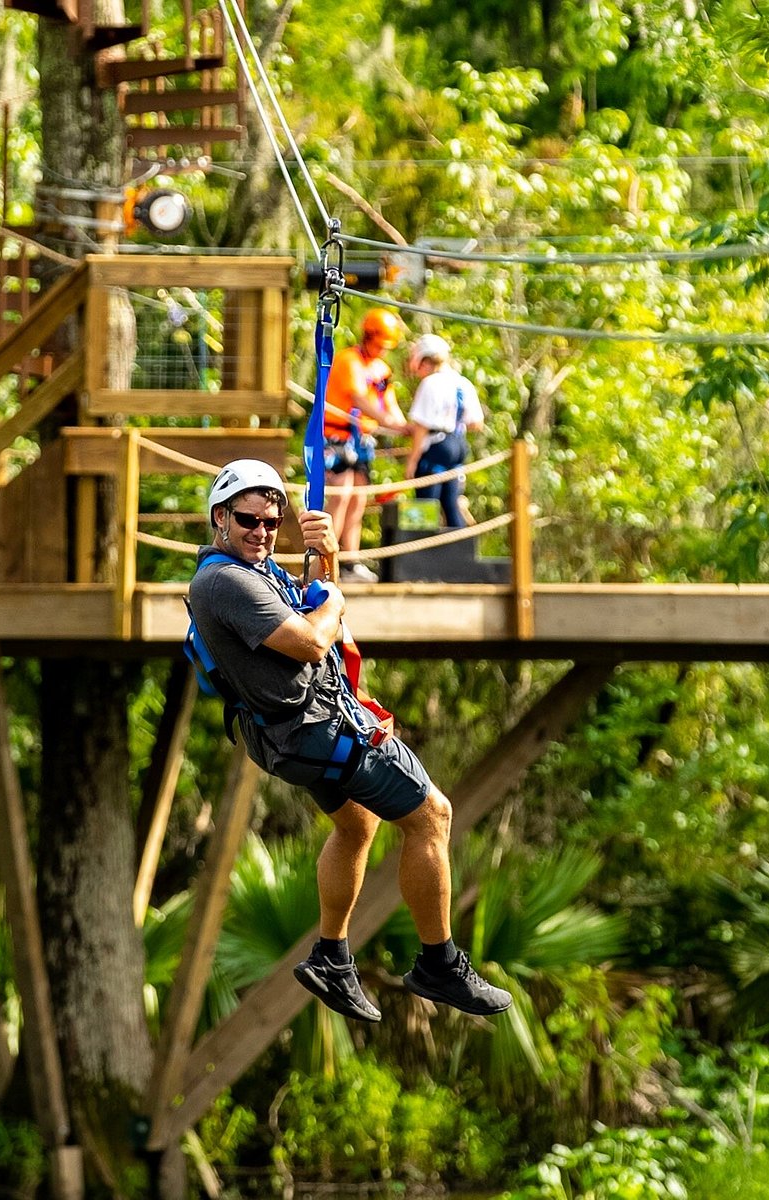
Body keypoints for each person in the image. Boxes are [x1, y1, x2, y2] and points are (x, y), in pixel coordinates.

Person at [188, 458, 512, 1021]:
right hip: (318, 731)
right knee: (432, 814)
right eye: (248, 520)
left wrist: (330, 556)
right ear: (220, 517)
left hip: (294, 736)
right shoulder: (224, 581)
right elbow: (314, 640)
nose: (262, 532)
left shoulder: (255, 572)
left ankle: (332, 957)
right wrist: (334, 602)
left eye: (271, 521)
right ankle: (440, 962)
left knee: (357, 822)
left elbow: (318, 597)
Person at [323, 308, 409, 582]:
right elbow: (358, 398)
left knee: (359, 499)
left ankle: (351, 561)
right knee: (341, 495)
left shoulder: (382, 369)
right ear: (368, 336)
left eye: (387, 346)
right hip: (337, 437)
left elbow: (389, 403)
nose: (382, 350)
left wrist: (404, 425)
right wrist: (387, 421)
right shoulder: (349, 361)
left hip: (363, 440)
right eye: (379, 344)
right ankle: (326, 560)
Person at [404, 333, 485, 529]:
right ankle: (457, 552)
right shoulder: (463, 382)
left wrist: (412, 462)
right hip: (458, 444)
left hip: (436, 446)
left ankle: (419, 550)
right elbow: (477, 423)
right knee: (451, 503)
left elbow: (421, 427)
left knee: (425, 502)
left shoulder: (430, 383)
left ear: (424, 361)